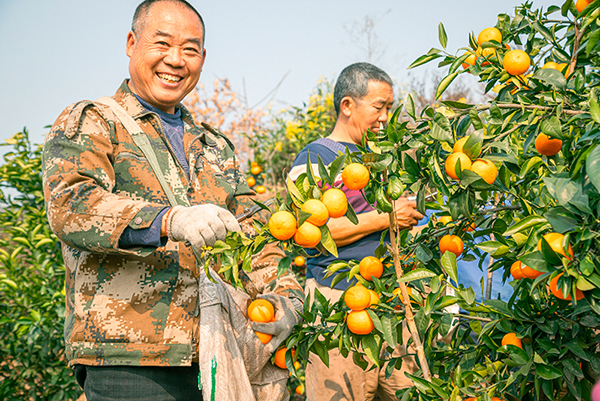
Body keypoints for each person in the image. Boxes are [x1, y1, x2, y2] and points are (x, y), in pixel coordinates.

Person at [42, 1, 303, 400]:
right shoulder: (95, 121)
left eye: (191, 49)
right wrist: (167, 220)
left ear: (203, 58)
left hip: (217, 352)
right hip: (131, 358)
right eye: (162, 43)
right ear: (132, 43)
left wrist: (286, 297)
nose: (176, 60)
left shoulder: (212, 146)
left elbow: (255, 232)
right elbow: (72, 205)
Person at [289, 62, 424, 401]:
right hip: (339, 304)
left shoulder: (381, 160)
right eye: (379, 107)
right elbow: (312, 233)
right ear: (348, 105)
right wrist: (386, 218)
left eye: (389, 108)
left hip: (392, 303)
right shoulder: (314, 158)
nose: (385, 118)